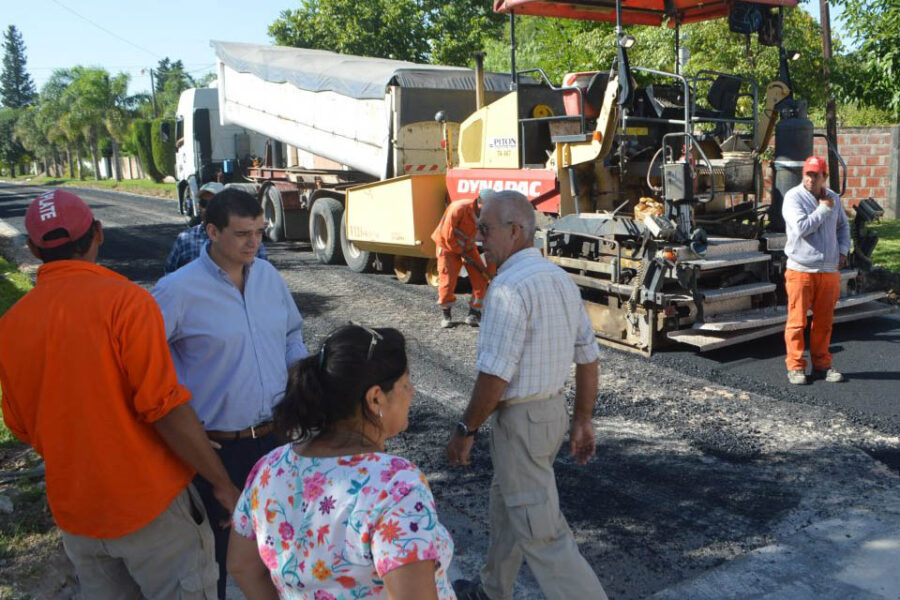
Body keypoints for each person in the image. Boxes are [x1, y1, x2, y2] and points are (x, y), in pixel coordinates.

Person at [0, 189, 239, 599]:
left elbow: (20, 425)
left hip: (78, 515)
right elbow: (163, 407)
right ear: (98, 233)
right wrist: (221, 484)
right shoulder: (126, 302)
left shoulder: (10, 325)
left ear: (35, 250)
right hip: (151, 507)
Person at [446, 189, 607, 600]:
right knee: (508, 503)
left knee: (543, 534)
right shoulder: (559, 280)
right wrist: (581, 420)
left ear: (515, 231)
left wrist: (466, 429)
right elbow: (588, 357)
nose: (479, 239)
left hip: (521, 422)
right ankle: (492, 590)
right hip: (548, 416)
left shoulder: (507, 289)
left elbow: (495, 376)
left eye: (485, 229)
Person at [152, 187, 309, 599]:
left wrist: (301, 383)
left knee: (283, 551)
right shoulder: (176, 291)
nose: (254, 242)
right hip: (217, 451)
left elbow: (292, 334)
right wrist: (180, 422)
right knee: (215, 563)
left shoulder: (269, 278)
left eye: (259, 231)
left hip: (275, 442)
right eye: (242, 234)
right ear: (212, 232)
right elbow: (145, 361)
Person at [227, 324, 455, 599]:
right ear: (375, 398)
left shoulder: (269, 468)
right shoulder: (395, 484)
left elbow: (241, 566)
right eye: (405, 383)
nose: (412, 392)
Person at [782, 155, 851, 385]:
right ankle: (796, 366)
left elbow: (843, 226)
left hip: (829, 270)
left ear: (825, 177)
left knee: (824, 322)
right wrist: (822, 210)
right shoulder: (793, 197)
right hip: (801, 269)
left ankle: (822, 365)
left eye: (816, 175)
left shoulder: (832, 198)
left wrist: (843, 251)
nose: (811, 179)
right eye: (808, 174)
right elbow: (802, 228)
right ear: (803, 175)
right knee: (797, 321)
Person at [164, 182, 268, 274]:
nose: (209, 208)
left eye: (214, 202)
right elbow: (170, 272)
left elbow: (263, 275)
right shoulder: (185, 240)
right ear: (199, 205)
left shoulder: (253, 242)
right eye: (205, 203)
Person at [431, 194, 491, 328]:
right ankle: (446, 315)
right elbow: (448, 236)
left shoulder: (488, 214)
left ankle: (474, 313)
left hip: (468, 246)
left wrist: (490, 272)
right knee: (447, 280)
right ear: (479, 203)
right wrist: (460, 251)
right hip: (447, 246)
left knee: (481, 277)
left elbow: (489, 241)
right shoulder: (458, 208)